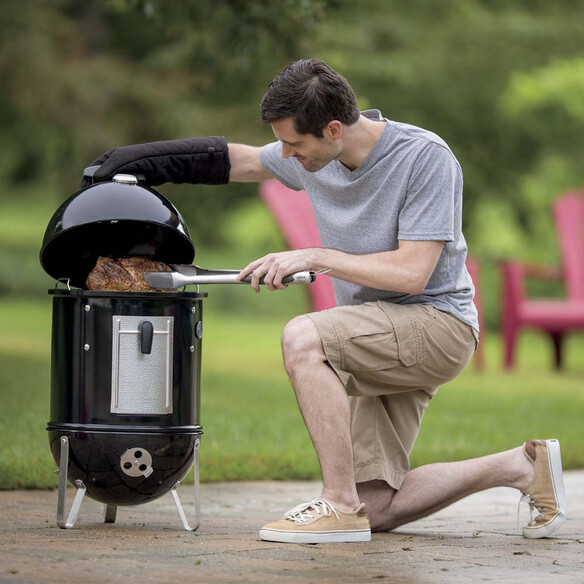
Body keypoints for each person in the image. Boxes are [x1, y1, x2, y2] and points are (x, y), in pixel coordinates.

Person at [83, 59, 567, 544]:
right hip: (375, 328)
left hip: (437, 324)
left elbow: (412, 273)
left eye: (295, 144)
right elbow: (238, 160)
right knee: (374, 508)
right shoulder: (314, 158)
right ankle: (522, 466)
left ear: (333, 129)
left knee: (303, 337)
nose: (286, 155)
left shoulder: (424, 158)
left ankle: (336, 502)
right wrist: (136, 161)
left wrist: (314, 255)